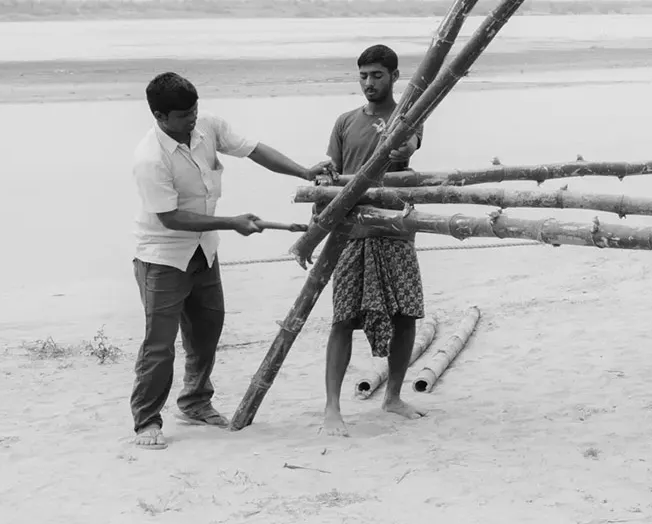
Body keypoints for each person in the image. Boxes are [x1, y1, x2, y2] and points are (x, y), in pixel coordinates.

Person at [127, 71, 326, 450]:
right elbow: (170, 218)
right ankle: (147, 422)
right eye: (184, 114)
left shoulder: (209, 127)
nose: (193, 119)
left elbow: (254, 150)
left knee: (207, 329)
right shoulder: (149, 159)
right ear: (160, 117)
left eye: (195, 109)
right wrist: (232, 222)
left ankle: (194, 402)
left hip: (204, 251)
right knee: (159, 343)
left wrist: (303, 171)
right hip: (162, 256)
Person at [297, 44, 427, 434]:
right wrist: (315, 228)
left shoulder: (409, 117)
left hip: (393, 227)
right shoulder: (345, 122)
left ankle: (394, 397)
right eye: (363, 76)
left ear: (394, 77)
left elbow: (409, 147)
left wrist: (399, 141)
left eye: (377, 75)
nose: (369, 83)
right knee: (343, 318)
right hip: (351, 233)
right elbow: (331, 176)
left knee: (406, 314)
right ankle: (332, 408)